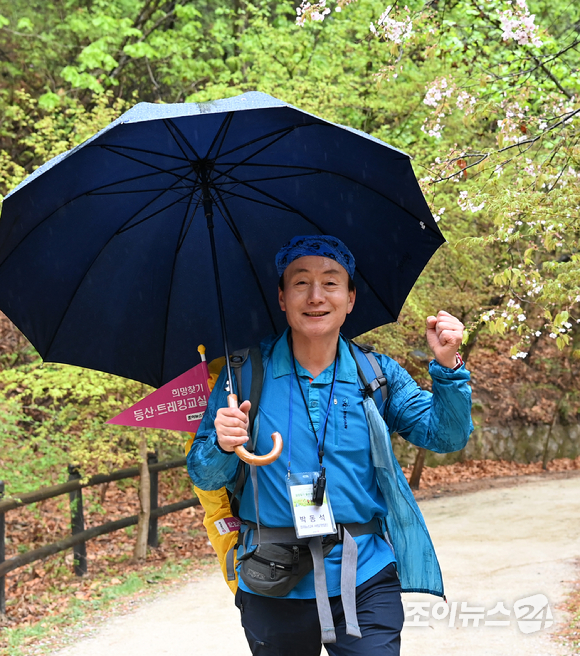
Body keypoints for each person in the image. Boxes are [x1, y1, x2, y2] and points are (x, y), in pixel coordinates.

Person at [188, 235, 472, 656]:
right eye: (300, 283)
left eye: (331, 282)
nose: (316, 296)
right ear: (282, 298)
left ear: (351, 298)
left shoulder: (374, 373)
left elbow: (443, 435)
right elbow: (203, 472)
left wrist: (448, 367)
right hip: (273, 577)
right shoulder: (244, 376)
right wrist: (223, 444)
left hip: (365, 575)